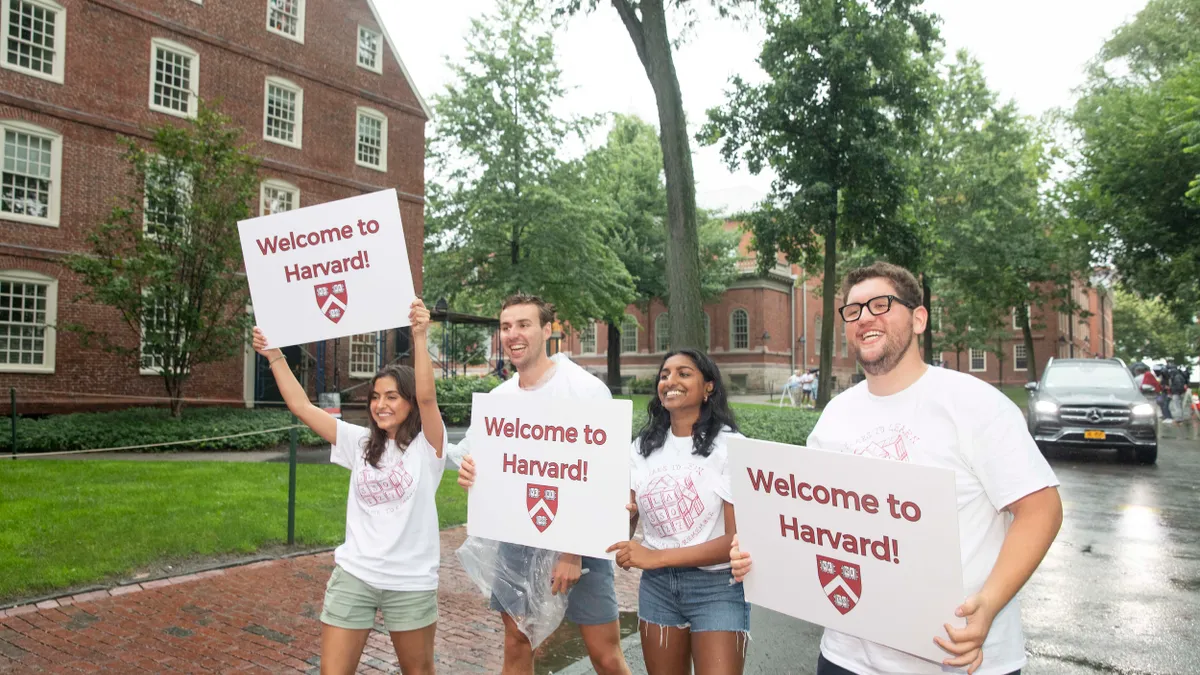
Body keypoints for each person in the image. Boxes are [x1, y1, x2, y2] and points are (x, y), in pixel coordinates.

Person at [730, 262, 1063, 675]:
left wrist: (990, 604)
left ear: (919, 318)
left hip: (957, 658)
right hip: (846, 656)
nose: (865, 317)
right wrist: (758, 550)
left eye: (880, 304)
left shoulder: (975, 405)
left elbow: (1041, 510)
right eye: (852, 311)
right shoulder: (836, 414)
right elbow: (809, 519)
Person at [252, 299, 445, 675]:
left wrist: (419, 336)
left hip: (410, 581)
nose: (380, 405)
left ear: (408, 402)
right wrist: (275, 356)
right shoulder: (358, 443)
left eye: (392, 397)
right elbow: (302, 407)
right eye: (375, 396)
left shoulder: (429, 447)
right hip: (355, 574)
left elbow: (428, 397)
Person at [453, 294, 630, 675]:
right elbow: (479, 461)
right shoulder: (499, 400)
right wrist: (470, 472)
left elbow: (604, 478)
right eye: (505, 327)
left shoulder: (584, 390)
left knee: (604, 654)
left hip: (582, 541)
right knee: (517, 642)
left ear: (548, 330)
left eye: (523, 324)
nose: (513, 335)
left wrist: (572, 552)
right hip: (518, 537)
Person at [607, 349, 750, 675]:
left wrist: (655, 558)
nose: (670, 381)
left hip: (717, 587)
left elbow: (735, 540)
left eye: (684, 373)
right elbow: (623, 525)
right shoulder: (641, 448)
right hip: (657, 590)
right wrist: (626, 523)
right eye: (665, 374)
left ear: (708, 387)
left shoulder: (731, 447)